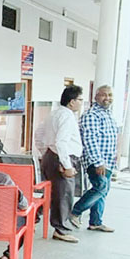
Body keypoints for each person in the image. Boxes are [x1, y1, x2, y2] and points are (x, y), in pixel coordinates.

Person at [34, 85, 83, 243]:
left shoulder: (53, 114)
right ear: (71, 101)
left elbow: (39, 134)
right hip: (63, 158)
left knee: (51, 194)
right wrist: (67, 165)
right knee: (64, 195)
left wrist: (46, 153)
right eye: (80, 100)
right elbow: (61, 142)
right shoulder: (67, 117)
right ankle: (60, 229)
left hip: (51, 156)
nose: (82, 103)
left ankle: (33, 218)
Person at [72, 86, 119, 233]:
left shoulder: (108, 114)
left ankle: (96, 222)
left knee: (103, 192)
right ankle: (75, 212)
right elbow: (90, 140)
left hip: (108, 161)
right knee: (100, 187)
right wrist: (98, 162)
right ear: (95, 97)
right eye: (103, 95)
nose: (107, 98)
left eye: (110, 95)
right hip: (96, 162)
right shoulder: (91, 115)